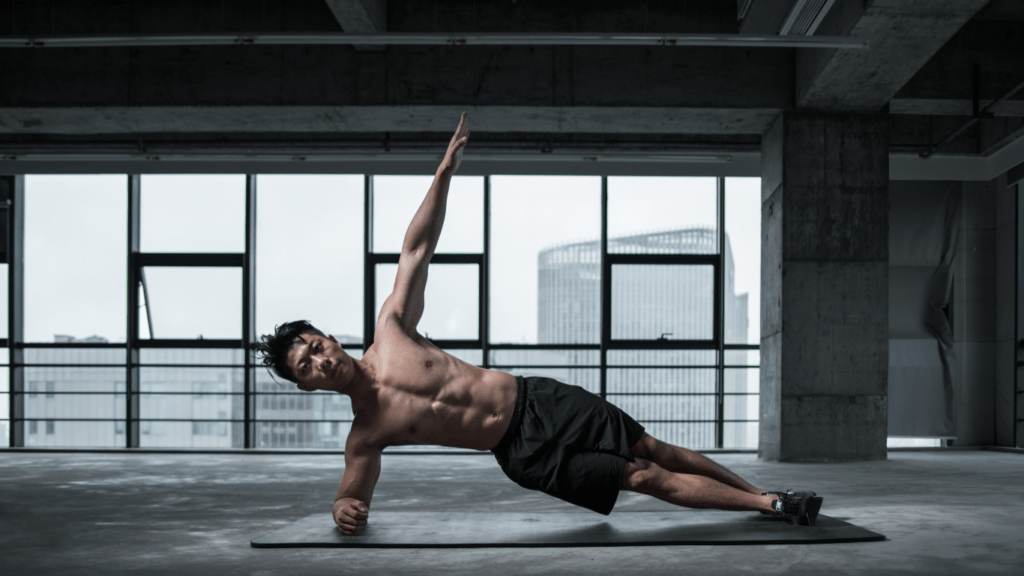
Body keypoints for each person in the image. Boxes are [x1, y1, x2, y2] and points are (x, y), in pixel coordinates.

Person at [254, 112, 823, 536]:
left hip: (538, 399)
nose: (320, 359)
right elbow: (353, 492)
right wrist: (340, 509)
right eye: (307, 366)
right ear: (308, 386)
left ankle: (770, 497)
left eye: (314, 345)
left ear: (327, 336)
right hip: (521, 453)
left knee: (654, 447)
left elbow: (415, 250)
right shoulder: (367, 432)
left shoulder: (394, 331)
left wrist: (445, 171)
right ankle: (768, 505)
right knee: (639, 476)